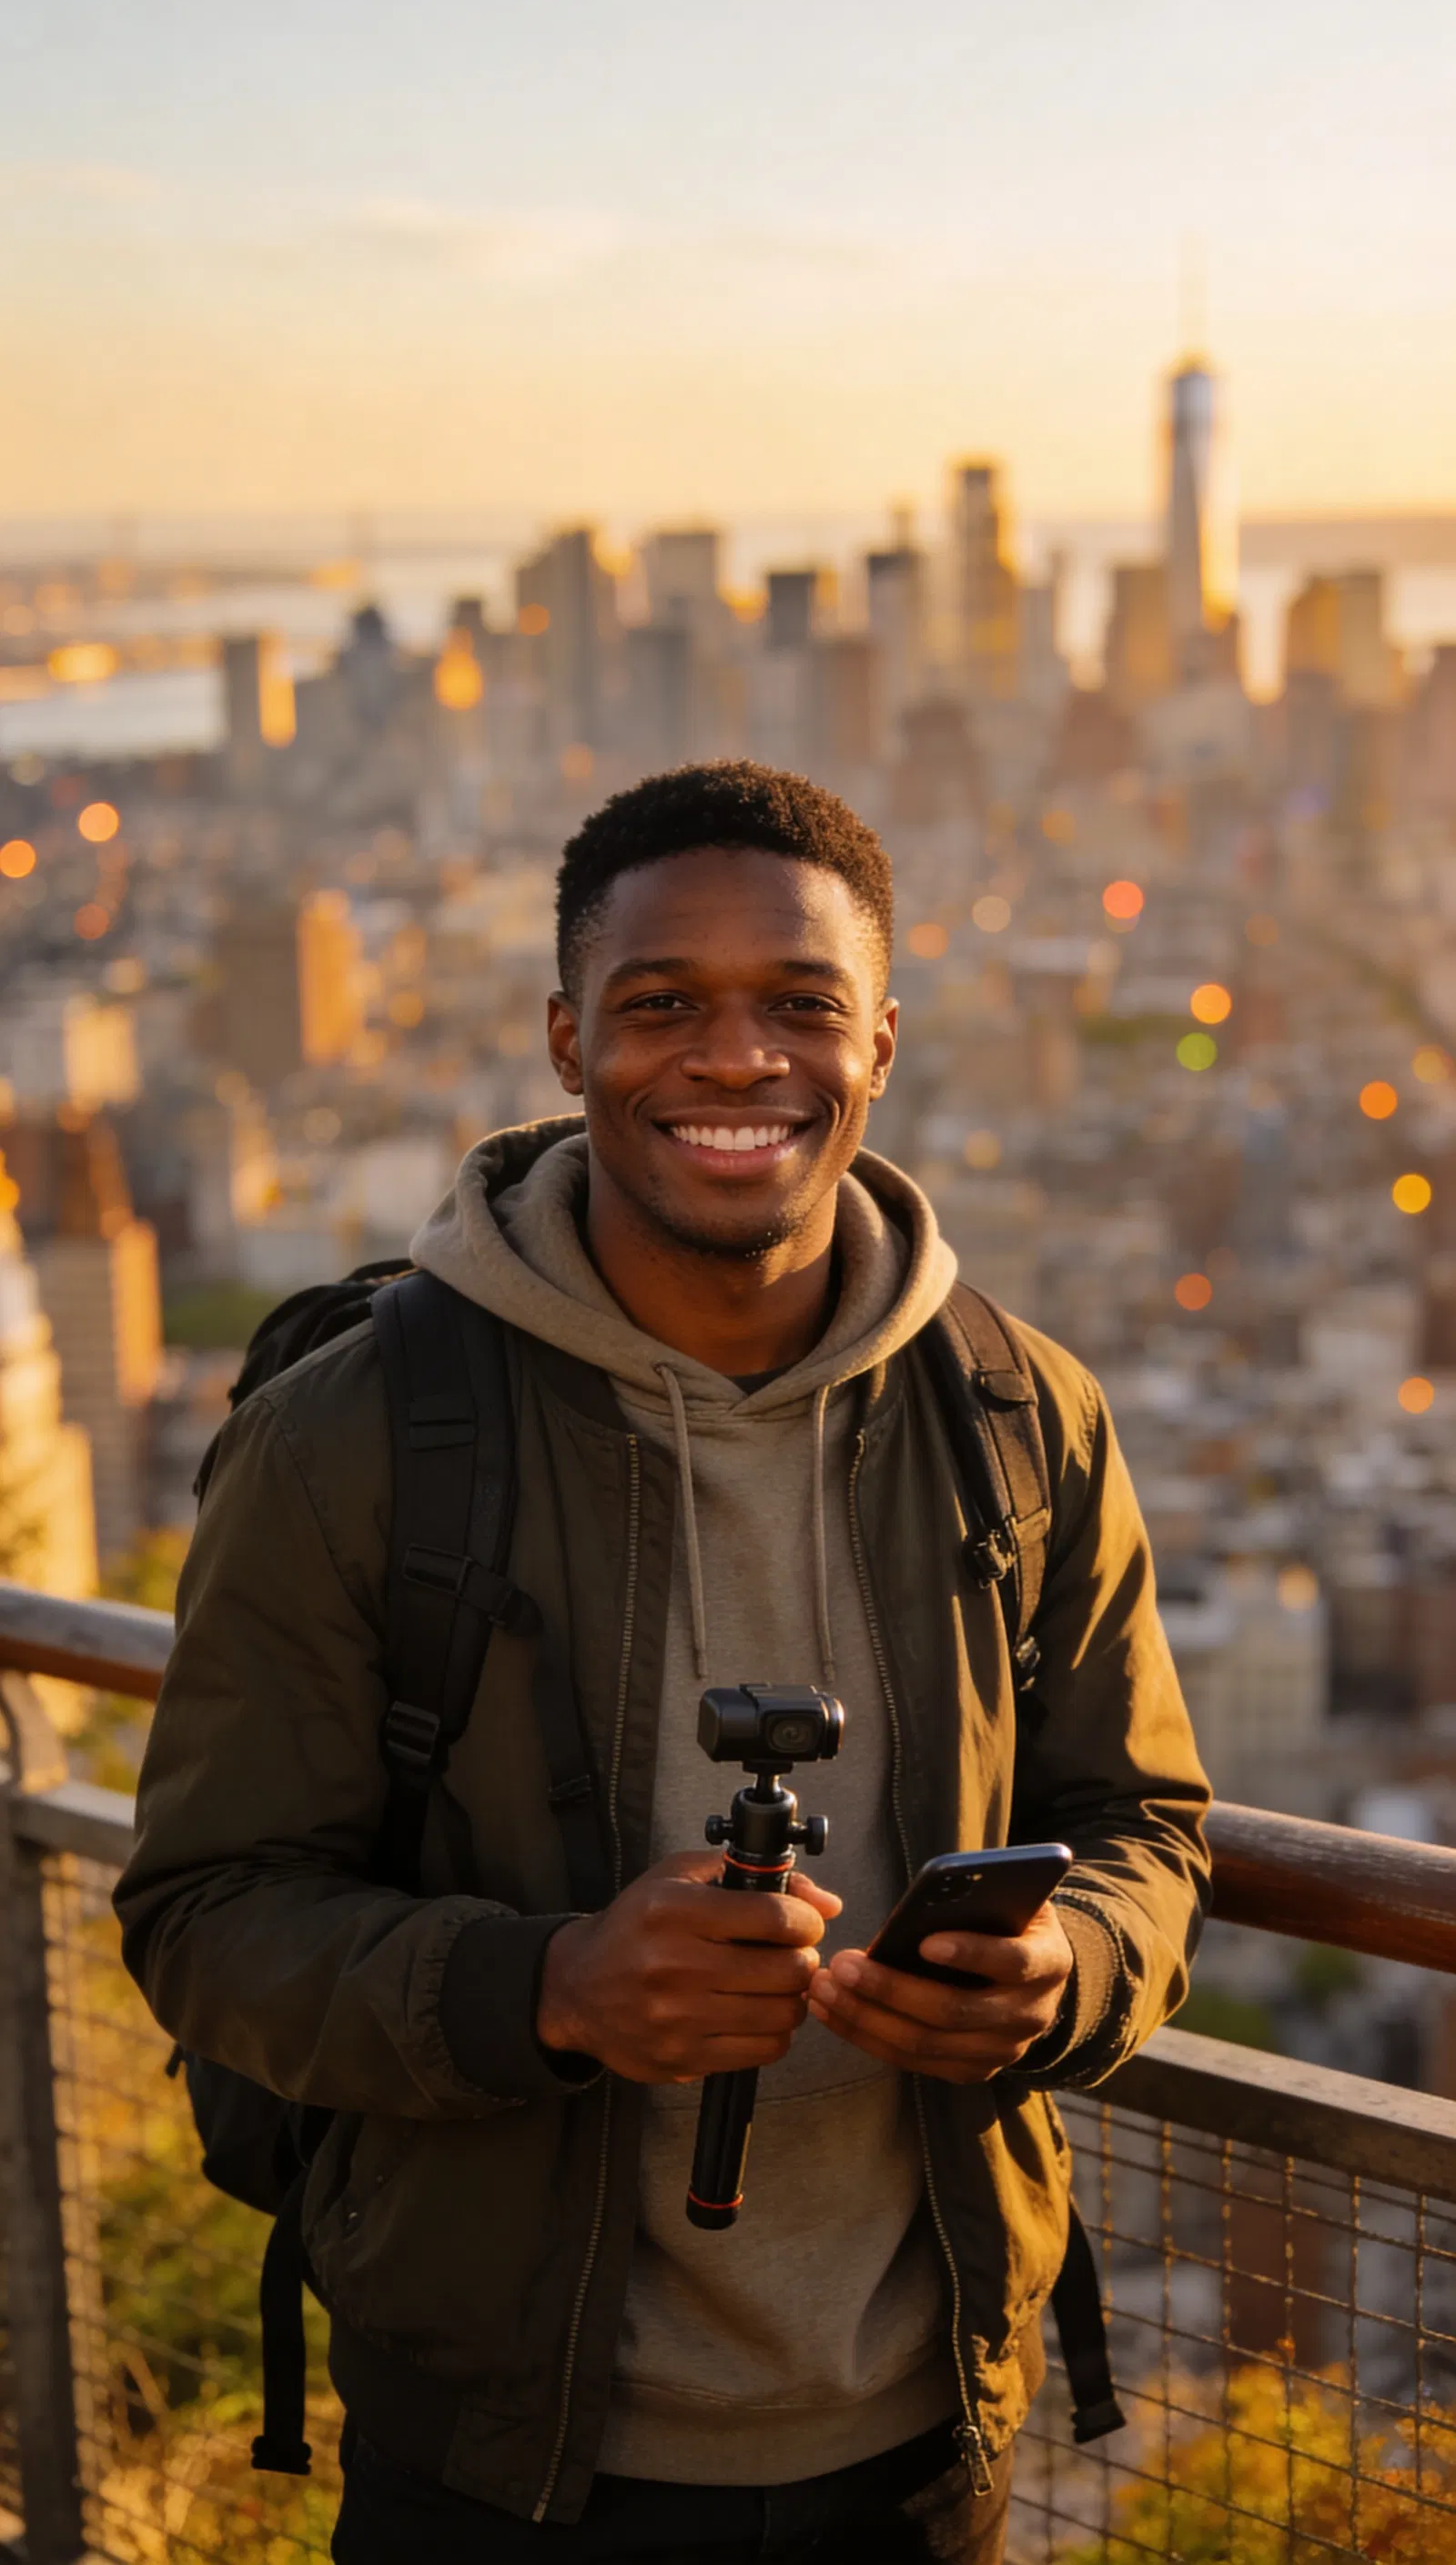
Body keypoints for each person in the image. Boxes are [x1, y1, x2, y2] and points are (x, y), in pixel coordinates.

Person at [116, 761, 1210, 2564]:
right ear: (564, 1042)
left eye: (798, 1005)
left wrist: (1065, 1968)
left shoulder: (1019, 1420)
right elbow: (206, 1916)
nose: (733, 1060)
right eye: (658, 1007)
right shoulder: (364, 1441)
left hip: (925, 2439)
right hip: (495, 2457)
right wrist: (546, 1990)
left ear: (880, 1043)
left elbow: (1143, 1826)